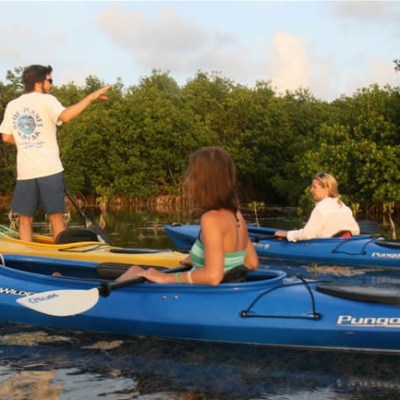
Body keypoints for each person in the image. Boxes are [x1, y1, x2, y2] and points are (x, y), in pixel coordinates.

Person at [0, 65, 112, 242]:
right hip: (50, 170)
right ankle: (59, 260)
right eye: (49, 80)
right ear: (38, 83)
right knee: (56, 216)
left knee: (24, 219)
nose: (51, 85)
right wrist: (91, 97)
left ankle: (26, 260)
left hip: (25, 173)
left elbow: (6, 137)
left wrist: (23, 141)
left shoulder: (13, 105)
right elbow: (66, 116)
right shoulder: (48, 100)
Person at [117, 146, 259, 285]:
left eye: (192, 174)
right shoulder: (236, 215)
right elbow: (251, 263)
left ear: (202, 181)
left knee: (134, 271)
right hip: (224, 291)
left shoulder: (211, 219)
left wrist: (165, 278)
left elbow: (213, 276)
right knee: (136, 270)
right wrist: (199, 259)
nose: (188, 179)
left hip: (203, 297)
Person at [274, 172, 360, 241]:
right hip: (343, 244)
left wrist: (287, 234)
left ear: (326, 188)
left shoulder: (320, 209)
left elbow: (307, 234)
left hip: (327, 248)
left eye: (314, 187)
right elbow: (356, 231)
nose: (311, 190)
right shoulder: (343, 207)